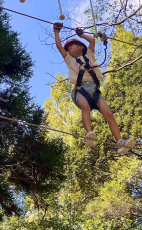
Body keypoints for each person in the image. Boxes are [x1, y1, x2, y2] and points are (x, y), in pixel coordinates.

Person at [53, 23, 136, 154]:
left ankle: (120, 142)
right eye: (67, 48)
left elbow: (92, 40)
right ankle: (89, 134)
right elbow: (59, 46)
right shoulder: (69, 60)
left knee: (109, 114)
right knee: (85, 107)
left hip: (95, 90)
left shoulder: (90, 55)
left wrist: (81, 35)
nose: (68, 48)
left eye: (71, 45)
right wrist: (56, 31)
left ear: (80, 46)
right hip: (81, 89)